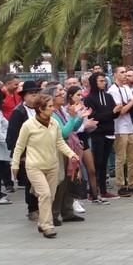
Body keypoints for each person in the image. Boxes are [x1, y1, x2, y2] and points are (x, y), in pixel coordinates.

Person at [10, 94, 79, 238]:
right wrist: (15, 164)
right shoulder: (28, 125)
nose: (53, 109)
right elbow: (19, 146)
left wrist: (71, 154)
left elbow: (59, 142)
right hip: (34, 166)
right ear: (40, 109)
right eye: (50, 106)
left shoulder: (54, 123)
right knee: (45, 194)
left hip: (52, 165)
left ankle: (42, 222)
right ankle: (48, 226)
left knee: (50, 196)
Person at [42, 85, 86, 225]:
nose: (63, 94)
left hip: (67, 148)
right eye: (59, 93)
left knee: (68, 181)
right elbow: (63, 133)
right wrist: (74, 118)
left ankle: (67, 211)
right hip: (58, 150)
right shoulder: (52, 113)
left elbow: (73, 128)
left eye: (62, 91)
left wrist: (79, 118)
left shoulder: (60, 110)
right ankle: (54, 214)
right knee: (60, 182)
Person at [7, 81, 42, 219]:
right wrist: (20, 156)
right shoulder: (18, 112)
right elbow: (13, 136)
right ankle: (32, 209)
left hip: (42, 151)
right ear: (25, 96)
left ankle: (43, 207)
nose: (35, 97)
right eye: (32, 94)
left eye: (37, 94)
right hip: (27, 153)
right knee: (31, 182)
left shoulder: (41, 108)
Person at [84, 73, 121, 200]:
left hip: (109, 132)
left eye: (104, 81)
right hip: (97, 133)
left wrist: (116, 111)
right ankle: (93, 191)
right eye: (100, 81)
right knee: (97, 162)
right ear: (94, 82)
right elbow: (94, 117)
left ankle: (103, 190)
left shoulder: (108, 96)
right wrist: (112, 112)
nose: (104, 83)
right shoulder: (89, 99)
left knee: (104, 162)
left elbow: (113, 115)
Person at [108, 66, 133, 197]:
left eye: (126, 73)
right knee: (120, 158)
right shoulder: (113, 90)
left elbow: (132, 106)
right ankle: (121, 185)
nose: (125, 75)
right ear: (115, 75)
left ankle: (132, 183)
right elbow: (121, 110)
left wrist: (131, 102)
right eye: (122, 73)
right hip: (119, 128)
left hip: (130, 126)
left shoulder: (126, 88)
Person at [66, 86, 103, 206]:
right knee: (76, 170)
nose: (80, 97)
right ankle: (76, 197)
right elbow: (72, 128)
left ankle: (95, 194)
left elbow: (85, 125)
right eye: (78, 95)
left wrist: (91, 126)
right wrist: (85, 125)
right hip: (74, 141)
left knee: (91, 169)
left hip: (84, 139)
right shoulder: (68, 110)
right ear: (71, 96)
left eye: (81, 95)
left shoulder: (82, 108)